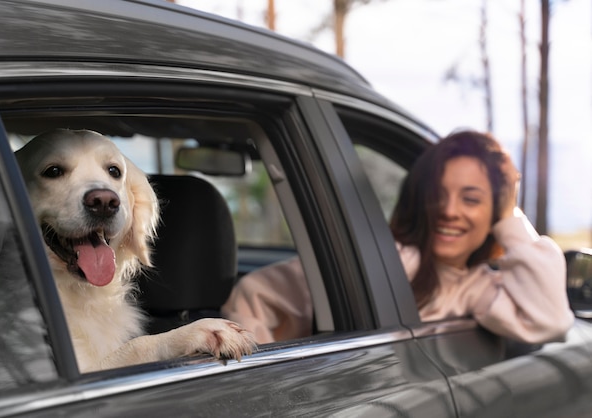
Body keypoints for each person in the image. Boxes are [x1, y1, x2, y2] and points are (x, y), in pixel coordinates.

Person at [221, 130, 574, 345]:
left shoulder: (479, 288)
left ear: (494, 214)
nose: (449, 210)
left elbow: (550, 320)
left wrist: (511, 214)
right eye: (438, 193)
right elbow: (254, 296)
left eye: (471, 199)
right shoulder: (395, 259)